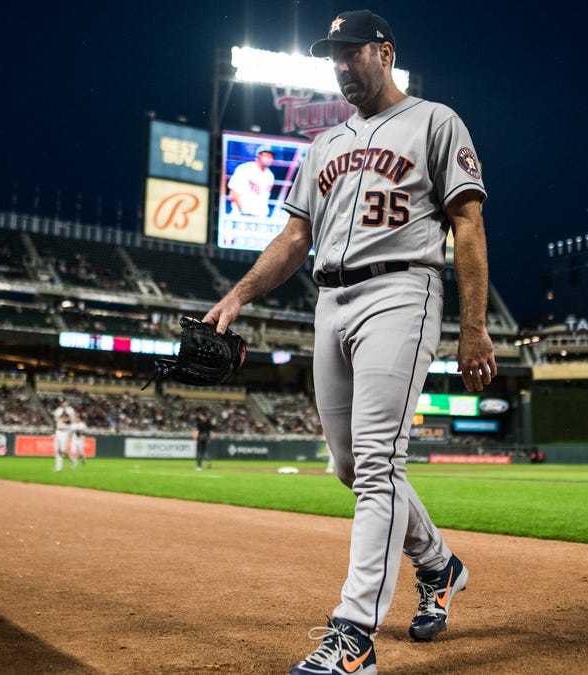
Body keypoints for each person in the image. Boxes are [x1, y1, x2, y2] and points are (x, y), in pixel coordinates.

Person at [204, 10, 495, 673]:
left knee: (375, 463)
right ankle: (439, 563)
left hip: (403, 291)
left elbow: (468, 223)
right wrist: (239, 294)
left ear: (385, 53)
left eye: (350, 51)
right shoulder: (324, 144)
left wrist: (473, 327)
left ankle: (354, 635)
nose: (338, 64)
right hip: (328, 301)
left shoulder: (435, 121)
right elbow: (293, 239)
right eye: (331, 55)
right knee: (350, 465)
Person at [227, 146, 276, 217]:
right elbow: (233, 193)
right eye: (266, 155)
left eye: (271, 157)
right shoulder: (245, 169)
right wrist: (242, 210)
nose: (268, 159)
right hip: (241, 214)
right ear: (258, 156)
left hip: (260, 216)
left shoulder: (270, 175)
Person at [51, 398, 75, 471]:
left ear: (66, 402)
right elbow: (55, 422)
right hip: (58, 431)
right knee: (57, 449)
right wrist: (53, 432)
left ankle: (72, 460)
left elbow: (73, 420)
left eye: (64, 402)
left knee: (63, 450)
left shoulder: (70, 410)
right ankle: (58, 467)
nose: (63, 403)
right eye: (62, 402)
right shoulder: (58, 410)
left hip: (65, 431)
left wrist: (66, 420)